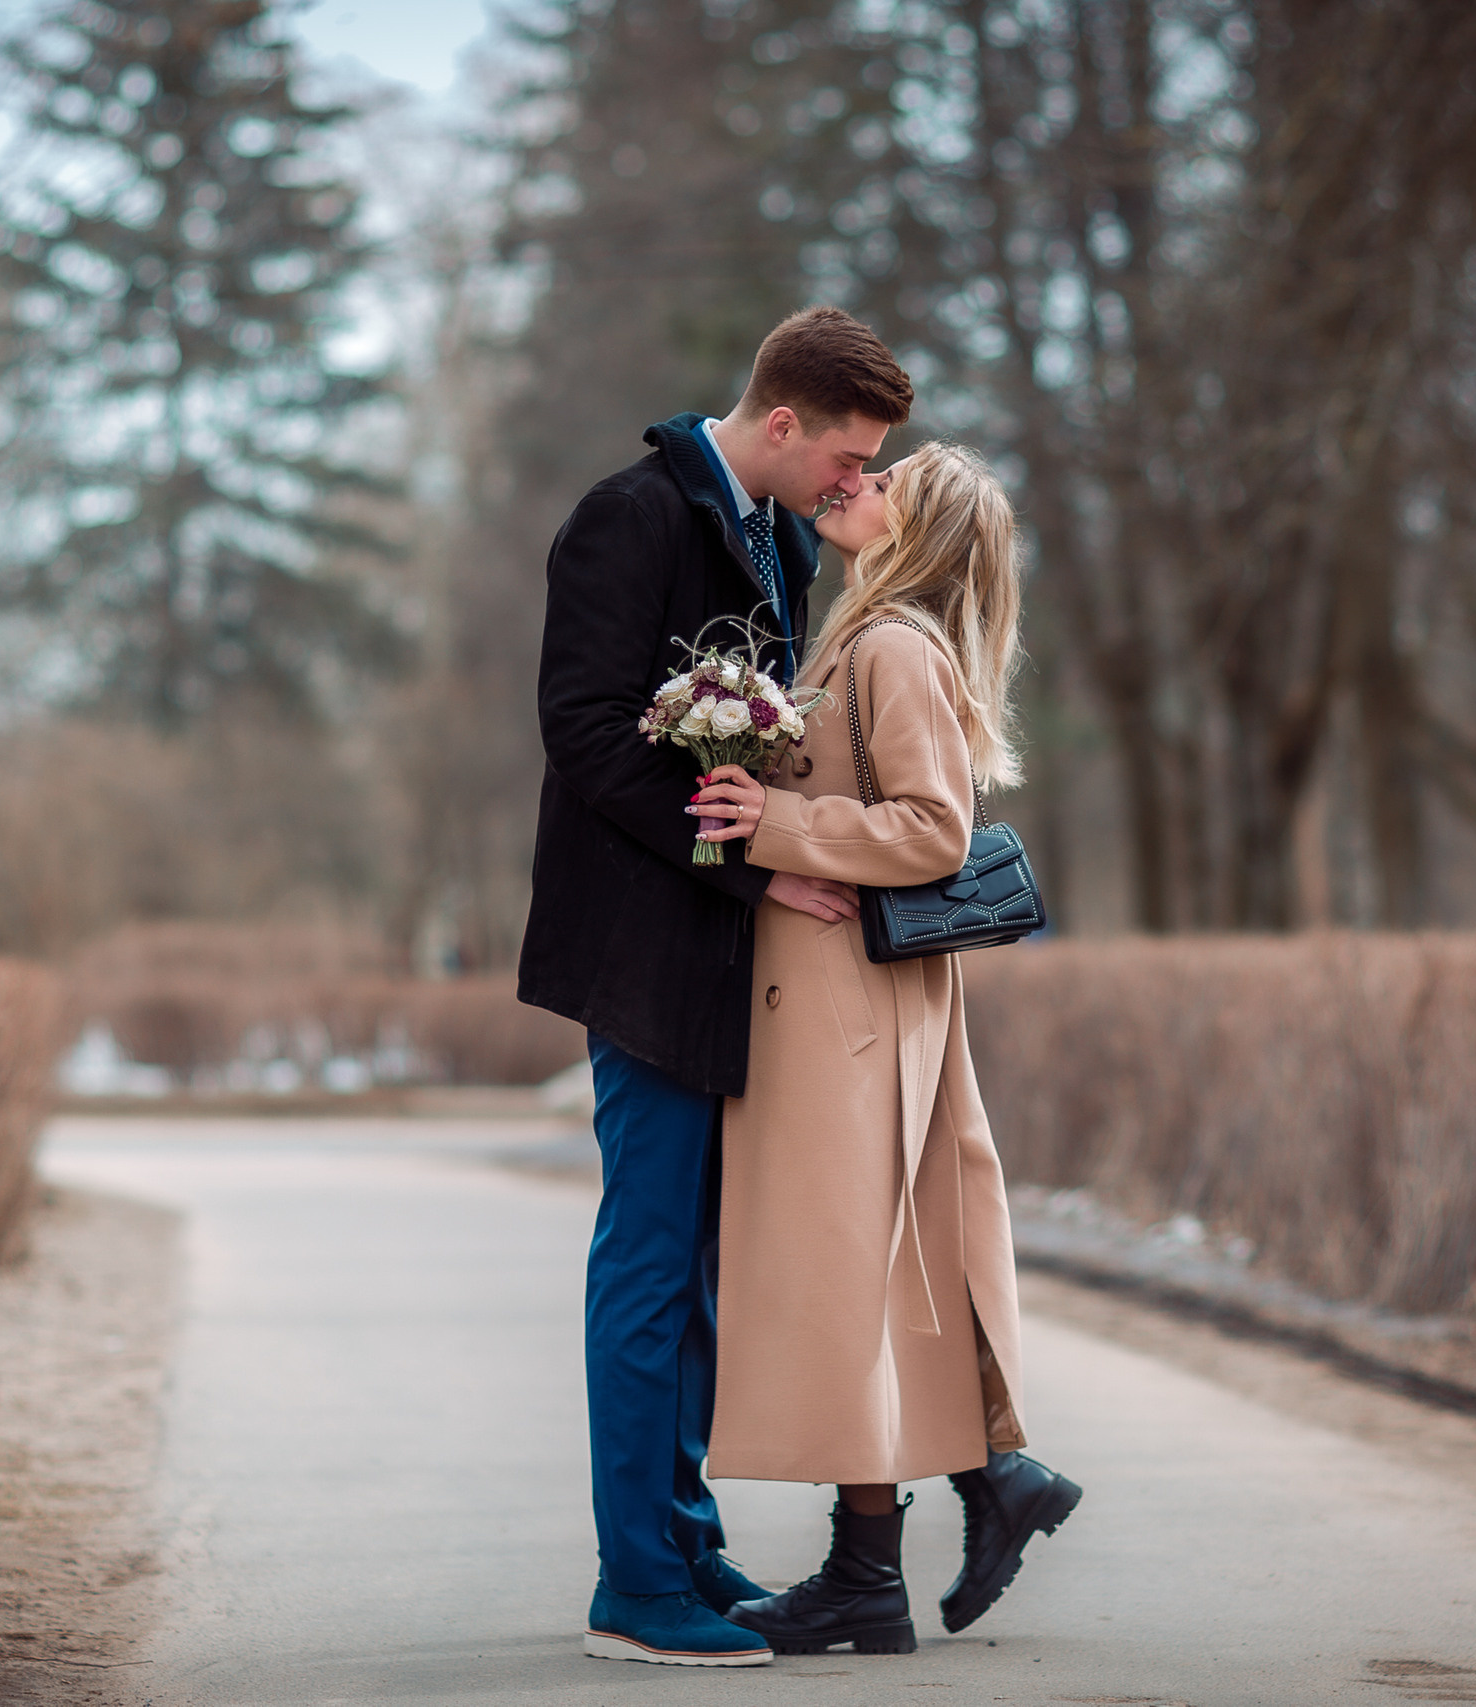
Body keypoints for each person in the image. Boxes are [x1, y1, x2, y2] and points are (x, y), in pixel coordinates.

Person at [517, 306, 914, 1666]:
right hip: (640, 940)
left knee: (693, 1261)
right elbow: (583, 732)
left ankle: (684, 1538)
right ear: (784, 421)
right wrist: (748, 866)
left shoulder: (783, 535)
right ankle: (634, 1580)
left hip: (719, 947)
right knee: (646, 1258)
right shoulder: (628, 515)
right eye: (847, 457)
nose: (853, 485)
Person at [688, 443, 1085, 1656]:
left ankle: (873, 1567)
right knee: (865, 1273)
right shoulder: (862, 636)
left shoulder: (894, 649)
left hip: (849, 1021)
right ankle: (972, 1493)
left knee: (844, 1279)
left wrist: (774, 819)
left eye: (893, 475)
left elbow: (931, 830)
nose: (860, 476)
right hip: (844, 1007)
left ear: (921, 528)